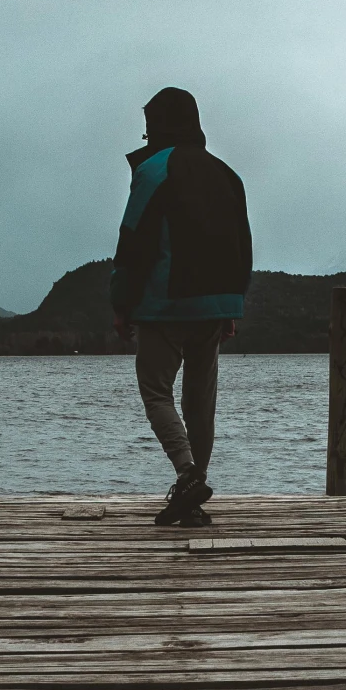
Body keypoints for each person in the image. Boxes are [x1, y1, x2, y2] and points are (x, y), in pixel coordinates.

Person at [111, 87, 252, 527]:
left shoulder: (154, 170)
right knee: (200, 402)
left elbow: (134, 240)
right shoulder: (227, 174)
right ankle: (194, 492)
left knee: (156, 391)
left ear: (160, 124)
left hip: (164, 304)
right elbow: (241, 243)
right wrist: (232, 304)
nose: (146, 133)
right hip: (214, 307)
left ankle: (188, 474)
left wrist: (122, 303)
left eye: (149, 125)